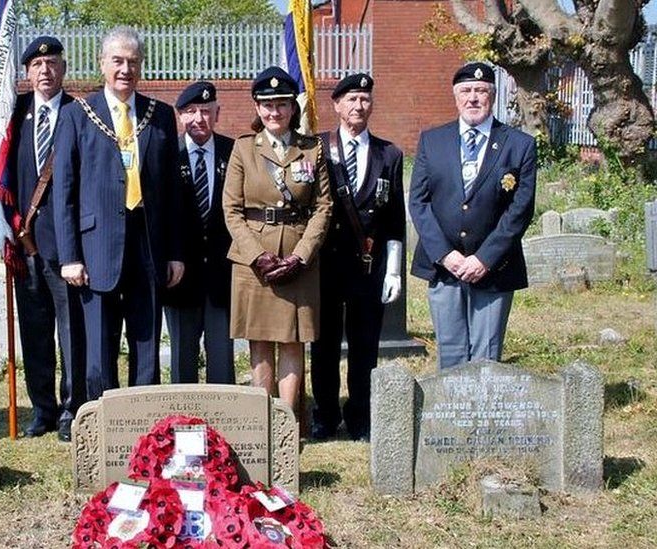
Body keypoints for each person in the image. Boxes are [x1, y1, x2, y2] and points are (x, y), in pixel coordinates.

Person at [53, 27, 184, 401]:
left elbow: (172, 191)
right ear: (102, 64)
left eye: (133, 62)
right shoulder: (78, 115)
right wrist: (70, 256)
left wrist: (174, 251)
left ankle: (145, 425)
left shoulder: (159, 116)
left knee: (146, 342)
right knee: (98, 347)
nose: (125, 69)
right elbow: (64, 192)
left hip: (148, 243)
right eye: (118, 61)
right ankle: (104, 421)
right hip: (96, 248)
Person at [409, 62, 536, 369]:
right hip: (444, 267)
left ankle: (483, 417)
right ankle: (449, 416)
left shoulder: (519, 144)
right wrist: (446, 255)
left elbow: (520, 209)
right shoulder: (432, 141)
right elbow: (419, 202)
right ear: (455, 97)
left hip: (494, 268)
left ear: (493, 96)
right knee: (450, 353)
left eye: (481, 91)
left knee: (486, 357)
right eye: (466, 91)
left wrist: (484, 259)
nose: (473, 98)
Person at [222, 66, 332, 412]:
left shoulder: (312, 150)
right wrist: (257, 255)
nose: (274, 112)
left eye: (282, 104)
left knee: (293, 342)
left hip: (298, 259)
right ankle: (261, 420)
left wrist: (301, 255)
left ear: (292, 108)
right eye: (267, 105)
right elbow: (231, 210)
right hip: (255, 261)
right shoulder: (243, 149)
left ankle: (287, 424)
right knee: (259, 342)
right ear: (257, 108)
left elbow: (323, 208)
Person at [310, 73, 405, 441]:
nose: (358, 106)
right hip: (327, 265)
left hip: (369, 265)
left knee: (365, 345)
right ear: (336, 105)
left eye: (364, 99)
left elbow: (395, 217)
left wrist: (393, 270)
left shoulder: (389, 154)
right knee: (324, 344)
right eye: (351, 99)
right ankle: (325, 413)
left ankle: (361, 414)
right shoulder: (318, 149)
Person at [7, 36, 85, 442]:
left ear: (63, 68)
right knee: (34, 331)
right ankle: (43, 409)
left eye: (52, 64)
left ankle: (72, 409)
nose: (45, 72)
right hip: (25, 246)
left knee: (71, 332)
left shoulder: (80, 112)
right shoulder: (12, 114)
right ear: (26, 73)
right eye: (37, 66)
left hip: (67, 247)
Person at [163, 81, 236, 384]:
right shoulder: (166, 153)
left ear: (217, 113)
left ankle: (223, 421)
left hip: (223, 272)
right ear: (180, 116)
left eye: (206, 111)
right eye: (190, 112)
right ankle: (182, 422)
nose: (199, 119)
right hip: (180, 274)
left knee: (222, 356)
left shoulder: (234, 152)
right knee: (183, 358)